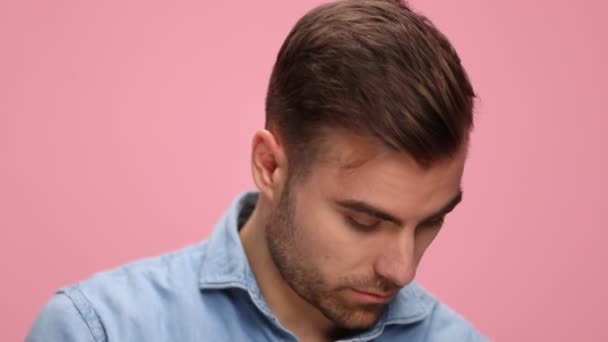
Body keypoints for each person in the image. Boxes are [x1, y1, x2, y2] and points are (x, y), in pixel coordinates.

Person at [27, 0, 488, 340]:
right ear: (269, 166)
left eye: (431, 222)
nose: (402, 268)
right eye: (364, 222)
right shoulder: (99, 331)